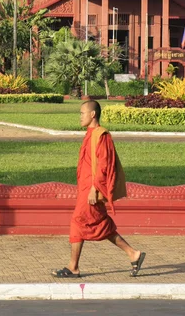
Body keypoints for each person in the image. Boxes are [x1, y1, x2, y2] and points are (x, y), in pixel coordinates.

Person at [52, 99, 146, 279]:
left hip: (92, 189)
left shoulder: (101, 135)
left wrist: (95, 189)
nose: (80, 117)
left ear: (92, 114)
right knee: (100, 224)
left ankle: (73, 267)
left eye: (82, 113)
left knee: (79, 222)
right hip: (85, 188)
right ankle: (133, 253)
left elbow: (104, 165)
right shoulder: (90, 134)